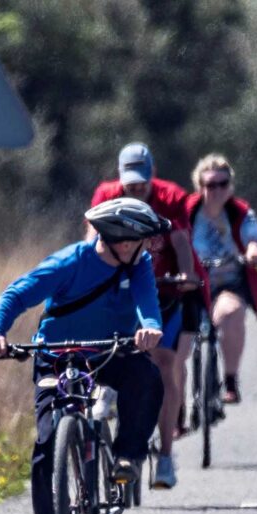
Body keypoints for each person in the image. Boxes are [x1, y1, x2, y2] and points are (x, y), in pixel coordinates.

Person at [0, 197, 167, 514]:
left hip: (109, 352)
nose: (145, 246)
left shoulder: (139, 266)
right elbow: (17, 294)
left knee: (146, 377)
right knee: (48, 440)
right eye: (139, 240)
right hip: (56, 357)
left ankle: (128, 455)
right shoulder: (70, 262)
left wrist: (150, 327)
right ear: (120, 239)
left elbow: (148, 305)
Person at [90, 142, 205, 489]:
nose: (136, 189)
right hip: (120, 291)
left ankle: (166, 455)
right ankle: (108, 399)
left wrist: (185, 277)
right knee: (107, 350)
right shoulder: (107, 194)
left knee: (165, 361)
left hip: (164, 291)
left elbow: (182, 242)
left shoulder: (170, 197)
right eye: (130, 182)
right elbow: (91, 237)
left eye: (142, 182)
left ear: (152, 175)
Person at [186, 153, 257, 404]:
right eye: (210, 185)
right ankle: (176, 412)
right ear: (200, 187)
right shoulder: (187, 211)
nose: (217, 190)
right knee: (172, 342)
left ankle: (230, 379)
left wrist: (253, 252)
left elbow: (253, 237)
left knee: (231, 312)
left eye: (222, 184)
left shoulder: (239, 212)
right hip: (192, 283)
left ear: (230, 186)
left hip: (227, 282)